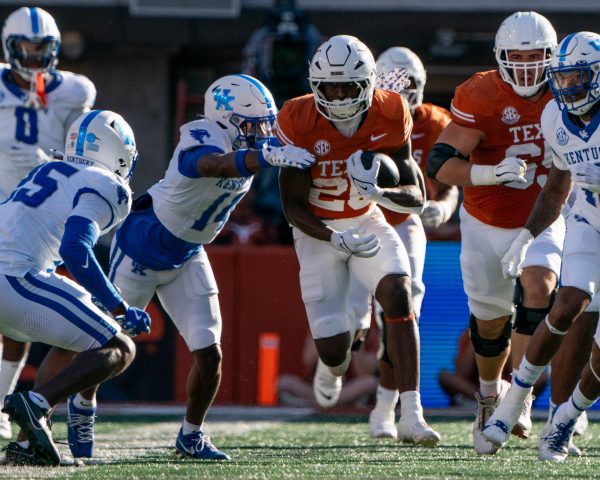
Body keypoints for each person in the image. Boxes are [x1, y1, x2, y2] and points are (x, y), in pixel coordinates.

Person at [107, 73, 315, 461]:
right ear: (224, 119)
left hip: (188, 253)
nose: (261, 133)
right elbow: (209, 164)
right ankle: (79, 410)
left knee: (209, 352)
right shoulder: (201, 134)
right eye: (252, 125)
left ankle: (192, 434)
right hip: (142, 246)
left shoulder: (257, 144)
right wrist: (261, 156)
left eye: (264, 125)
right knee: (103, 344)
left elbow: (300, 142)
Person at [277, 34, 440, 446]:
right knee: (335, 346)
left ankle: (412, 413)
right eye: (330, 86)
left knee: (401, 293)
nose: (338, 95)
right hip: (317, 232)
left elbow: (416, 194)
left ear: (369, 84)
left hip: (366, 220)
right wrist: (334, 238)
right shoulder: (298, 117)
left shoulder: (390, 110)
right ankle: (330, 368)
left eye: (348, 85)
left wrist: (381, 194)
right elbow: (293, 206)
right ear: (314, 85)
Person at [426, 11, 563, 455]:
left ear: (553, 57)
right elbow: (440, 164)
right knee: (490, 322)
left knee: (539, 287)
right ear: (500, 58)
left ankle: (519, 399)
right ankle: (490, 395)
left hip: (543, 216)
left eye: (536, 57)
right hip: (485, 220)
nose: (526, 66)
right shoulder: (480, 92)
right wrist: (490, 172)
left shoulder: (569, 89)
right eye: (516, 57)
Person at [0, 109, 150, 466]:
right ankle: (35, 406)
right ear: (118, 153)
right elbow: (75, 248)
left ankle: (26, 442)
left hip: (14, 271)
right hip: (15, 278)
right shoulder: (108, 185)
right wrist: (118, 307)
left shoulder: (45, 170)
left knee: (75, 332)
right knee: (118, 346)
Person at [482, 31, 600, 462]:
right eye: (563, 79)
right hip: (589, 217)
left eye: (578, 78)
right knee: (568, 302)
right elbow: (557, 185)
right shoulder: (554, 115)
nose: (568, 88)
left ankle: (566, 419)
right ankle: (514, 399)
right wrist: (528, 234)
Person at [0, 6, 96, 443]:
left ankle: (3, 407)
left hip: (38, 219)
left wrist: (49, 161)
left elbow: (81, 152)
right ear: (10, 47)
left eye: (43, 48)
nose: (35, 55)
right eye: (27, 47)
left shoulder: (75, 91)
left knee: (16, 324)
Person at [367, 46, 459, 438]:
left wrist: (443, 205)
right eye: (394, 83)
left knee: (404, 315)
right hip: (359, 222)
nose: (404, 91)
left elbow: (451, 179)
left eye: (411, 83)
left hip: (406, 222)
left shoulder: (437, 122)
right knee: (350, 329)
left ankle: (392, 409)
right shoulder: (361, 118)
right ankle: (378, 401)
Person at [278, 333, 378, 407]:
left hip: (346, 390)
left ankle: (326, 403)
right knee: (284, 382)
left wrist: (355, 343)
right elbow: (308, 359)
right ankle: (323, 402)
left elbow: (366, 374)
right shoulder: (320, 324)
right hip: (315, 391)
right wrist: (329, 339)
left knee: (370, 383)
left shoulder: (365, 331)